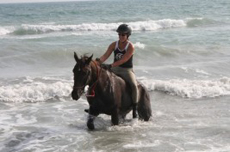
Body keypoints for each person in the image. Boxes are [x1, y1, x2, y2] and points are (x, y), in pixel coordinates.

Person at [96, 24, 139, 118]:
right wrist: (97, 62)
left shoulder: (130, 46)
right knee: (99, 81)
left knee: (134, 85)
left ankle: (135, 108)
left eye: (123, 35)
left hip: (126, 70)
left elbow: (123, 59)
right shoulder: (113, 44)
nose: (120, 36)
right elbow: (105, 55)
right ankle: (95, 106)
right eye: (119, 34)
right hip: (115, 69)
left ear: (128, 35)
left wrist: (111, 65)